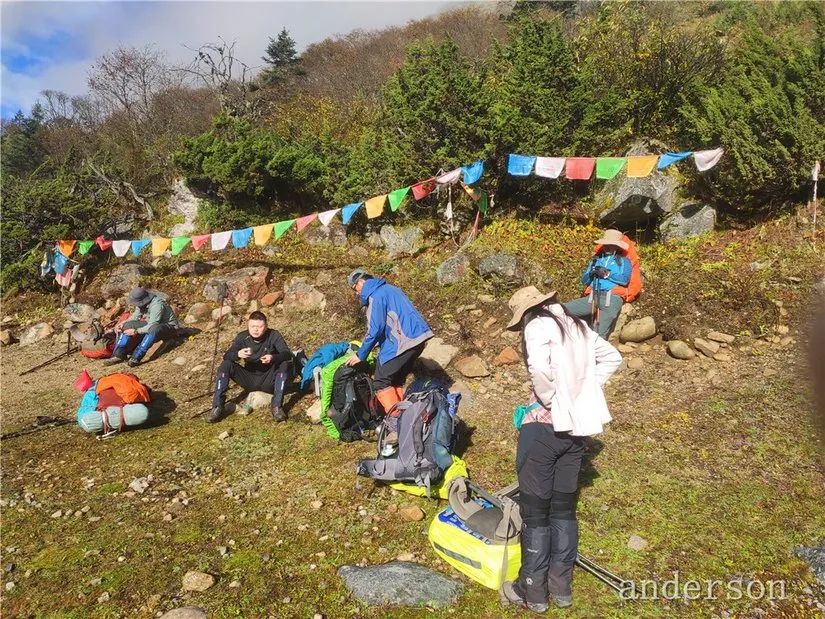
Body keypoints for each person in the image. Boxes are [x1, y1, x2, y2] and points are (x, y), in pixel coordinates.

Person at [500, 286, 622, 612]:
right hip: (576, 434)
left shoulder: (537, 324)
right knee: (564, 510)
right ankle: (562, 587)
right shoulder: (577, 325)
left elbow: (539, 369)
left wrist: (554, 399)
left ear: (528, 311)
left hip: (543, 429)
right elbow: (613, 357)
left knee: (536, 513)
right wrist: (582, 393)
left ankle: (533, 592)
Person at [345, 269, 433, 416]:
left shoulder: (376, 296)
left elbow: (375, 329)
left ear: (361, 281)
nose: (356, 293)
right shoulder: (390, 288)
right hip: (418, 339)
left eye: (355, 288)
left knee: (380, 382)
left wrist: (361, 355)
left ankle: (397, 423)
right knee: (395, 380)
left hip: (404, 341)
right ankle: (409, 416)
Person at [209, 311, 297, 423]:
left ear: (266, 327)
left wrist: (273, 357)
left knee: (284, 364)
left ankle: (276, 407)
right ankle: (217, 407)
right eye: (252, 326)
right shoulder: (242, 337)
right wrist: (238, 354)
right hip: (249, 379)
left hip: (269, 379)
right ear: (248, 325)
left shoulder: (274, 335)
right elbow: (227, 355)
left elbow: (287, 354)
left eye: (259, 326)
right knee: (226, 364)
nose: (255, 329)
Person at [563, 229, 634, 339]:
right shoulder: (596, 260)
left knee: (598, 335)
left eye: (611, 245)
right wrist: (592, 273)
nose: (607, 247)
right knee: (561, 310)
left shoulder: (624, 261)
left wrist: (607, 274)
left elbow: (625, 279)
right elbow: (584, 281)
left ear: (617, 247)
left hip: (612, 298)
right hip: (592, 297)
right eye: (606, 244)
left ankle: (598, 355)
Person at [105, 287, 180, 367]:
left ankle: (136, 357)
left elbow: (152, 324)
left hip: (168, 329)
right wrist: (123, 323)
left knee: (153, 328)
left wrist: (136, 331)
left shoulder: (157, 305)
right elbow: (135, 316)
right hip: (151, 326)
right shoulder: (141, 304)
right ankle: (119, 355)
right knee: (127, 325)